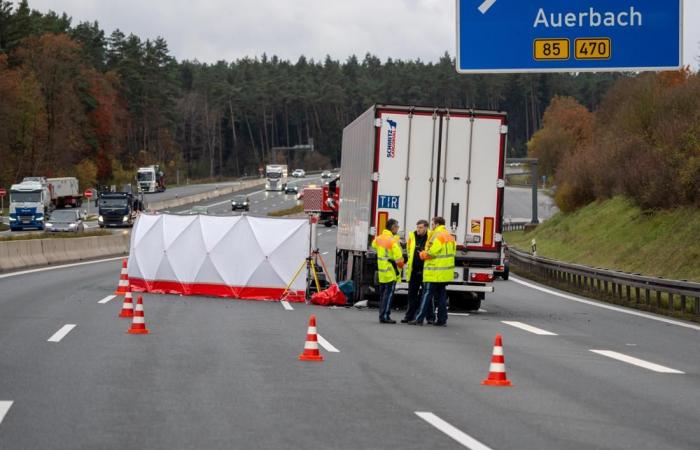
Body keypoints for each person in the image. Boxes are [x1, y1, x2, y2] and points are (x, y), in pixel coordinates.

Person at [409, 217, 456, 327]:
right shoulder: (450, 236)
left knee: (426, 295)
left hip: (434, 272)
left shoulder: (437, 235)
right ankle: (442, 320)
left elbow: (432, 252)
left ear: (437, 224)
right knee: (442, 297)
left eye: (432, 224)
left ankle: (419, 318)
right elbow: (452, 252)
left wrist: (422, 254)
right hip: (444, 273)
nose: (432, 226)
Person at [371, 218, 404, 324]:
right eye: (397, 227)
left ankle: (382, 315)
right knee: (388, 295)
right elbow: (399, 260)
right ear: (393, 227)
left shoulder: (379, 238)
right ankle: (385, 316)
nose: (397, 229)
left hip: (382, 272)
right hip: (391, 272)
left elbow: (373, 245)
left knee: (383, 295)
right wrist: (402, 265)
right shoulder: (393, 241)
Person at [401, 219, 430, 323]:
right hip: (414, 270)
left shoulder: (430, 236)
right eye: (418, 227)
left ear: (426, 228)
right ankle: (409, 316)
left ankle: (430, 318)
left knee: (427, 295)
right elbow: (408, 250)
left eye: (421, 227)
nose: (418, 229)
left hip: (425, 270)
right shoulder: (412, 236)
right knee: (412, 294)